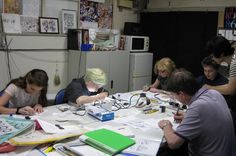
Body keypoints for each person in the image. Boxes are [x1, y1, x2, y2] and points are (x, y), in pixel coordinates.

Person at [158, 69, 235, 156]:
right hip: (226, 152)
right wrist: (188, 117)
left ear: (181, 94)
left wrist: (166, 125)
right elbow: (209, 118)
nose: (175, 98)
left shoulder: (197, 107)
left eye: (174, 95)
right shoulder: (214, 93)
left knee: (163, 152)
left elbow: (173, 143)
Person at [204, 35, 236, 111]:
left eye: (212, 55)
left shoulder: (234, 63)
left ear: (221, 54)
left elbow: (231, 90)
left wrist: (209, 88)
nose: (212, 58)